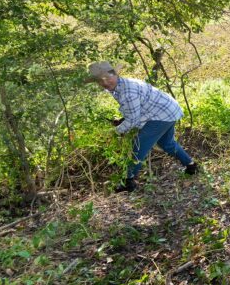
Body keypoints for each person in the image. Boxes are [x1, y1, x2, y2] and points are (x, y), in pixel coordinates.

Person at [85, 61, 198, 192]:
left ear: (115, 74)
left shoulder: (128, 92)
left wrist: (114, 132)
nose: (105, 83)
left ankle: (128, 182)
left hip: (161, 115)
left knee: (137, 147)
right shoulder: (118, 86)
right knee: (167, 143)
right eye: (100, 81)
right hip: (168, 110)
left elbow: (133, 119)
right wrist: (123, 119)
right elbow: (135, 109)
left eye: (107, 78)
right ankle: (191, 165)